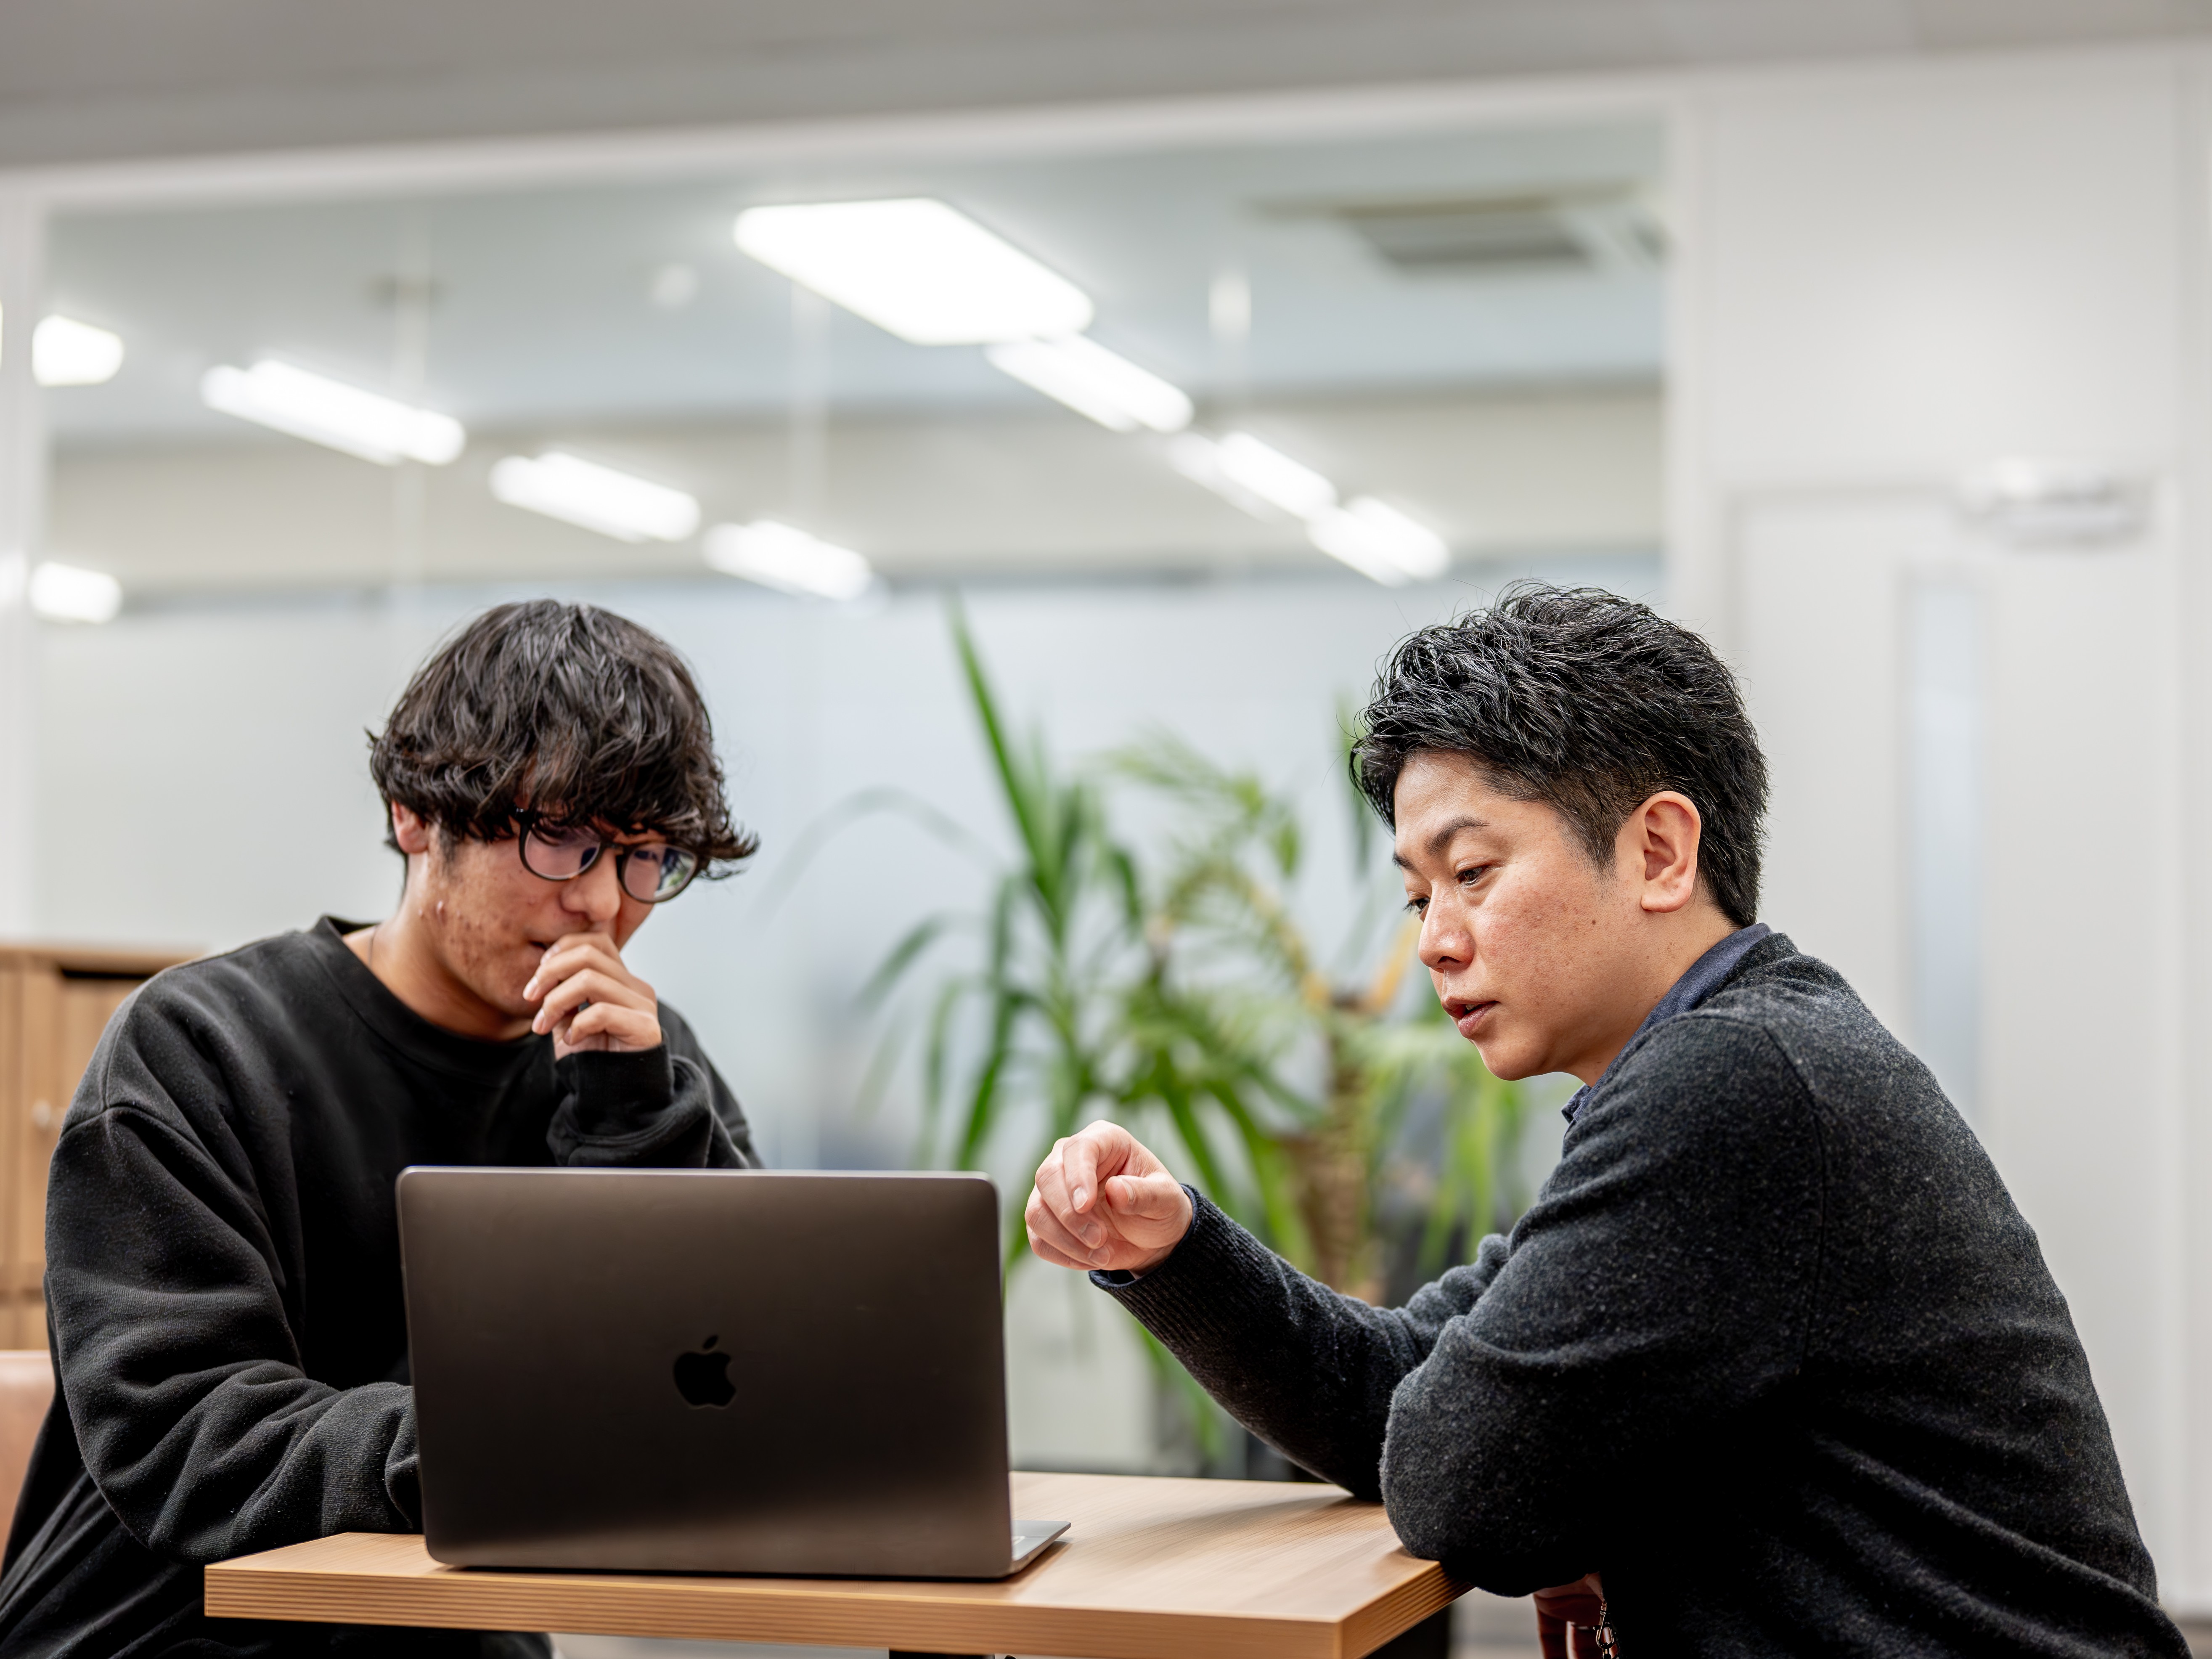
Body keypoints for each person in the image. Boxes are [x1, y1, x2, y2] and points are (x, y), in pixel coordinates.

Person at [1025, 584, 2186, 1657]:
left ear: (1658, 851)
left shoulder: (1735, 1083)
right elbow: (1400, 1394)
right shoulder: (1720, 1059)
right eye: (1417, 894)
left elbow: (1459, 1484)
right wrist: (1176, 1249)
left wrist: (1573, 1497)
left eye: (1471, 873)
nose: (1432, 941)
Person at [0, 601, 761, 1659]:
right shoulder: (199, 1046)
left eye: (645, 857)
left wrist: (634, 1117)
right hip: (161, 1634)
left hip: (453, 1633)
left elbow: (734, 1388)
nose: (599, 903)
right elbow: (183, 1433)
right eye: (560, 839)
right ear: (414, 814)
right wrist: (490, 1450)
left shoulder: (642, 1062)